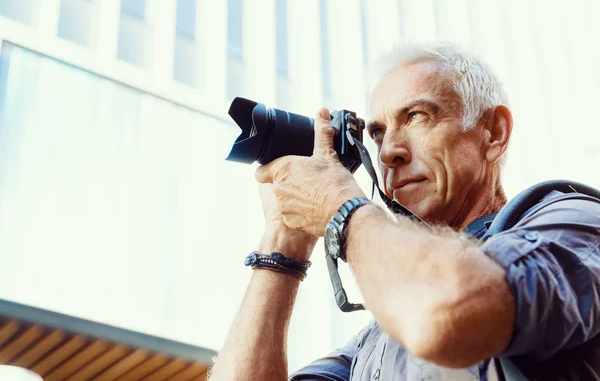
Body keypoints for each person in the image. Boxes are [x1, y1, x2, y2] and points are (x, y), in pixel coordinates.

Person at [208, 42, 600, 380]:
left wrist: (340, 209)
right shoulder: (375, 342)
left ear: (493, 133)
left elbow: (445, 311)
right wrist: (283, 242)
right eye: (376, 133)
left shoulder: (572, 220)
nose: (388, 151)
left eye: (416, 116)